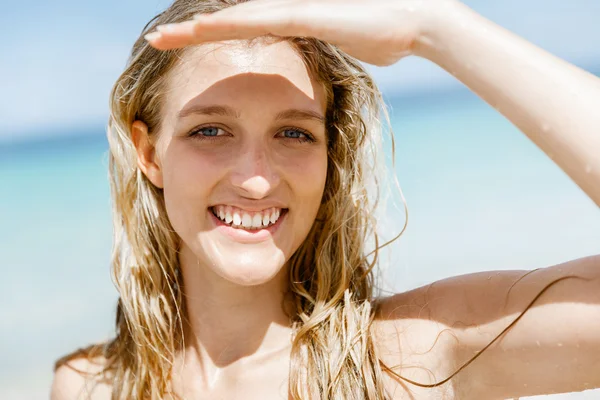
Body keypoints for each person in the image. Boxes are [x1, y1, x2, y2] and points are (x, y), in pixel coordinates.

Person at [51, 0, 600, 399]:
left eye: (294, 134)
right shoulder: (89, 387)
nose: (257, 181)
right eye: (210, 131)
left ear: (328, 156)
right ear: (148, 154)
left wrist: (431, 27)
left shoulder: (408, 360)